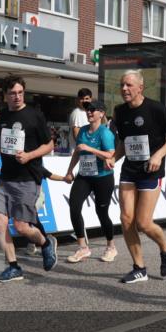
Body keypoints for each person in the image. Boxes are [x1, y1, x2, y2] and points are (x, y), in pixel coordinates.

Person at [109, 70, 166, 284]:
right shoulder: (120, 112)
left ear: (140, 88)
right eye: (122, 85)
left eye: (129, 85)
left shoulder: (155, 108)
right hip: (130, 170)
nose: (124, 89)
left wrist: (158, 154)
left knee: (143, 222)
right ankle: (139, 267)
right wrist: (115, 157)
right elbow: (124, 141)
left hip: (151, 170)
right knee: (126, 219)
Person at [0, 76, 58, 282]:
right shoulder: (2, 115)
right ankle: (13, 267)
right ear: (5, 96)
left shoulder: (34, 115)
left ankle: (45, 243)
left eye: (20, 92)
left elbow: (49, 145)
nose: (17, 97)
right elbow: (2, 145)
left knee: (21, 226)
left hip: (27, 178)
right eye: (12, 93)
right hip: (5, 177)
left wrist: (29, 155)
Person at [64, 100, 118, 263]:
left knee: (101, 212)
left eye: (93, 110)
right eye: (87, 109)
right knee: (74, 206)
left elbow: (110, 155)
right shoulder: (83, 131)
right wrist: (69, 171)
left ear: (101, 113)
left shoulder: (105, 133)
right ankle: (83, 247)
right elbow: (77, 153)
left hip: (102, 177)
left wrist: (90, 149)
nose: (89, 112)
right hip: (84, 176)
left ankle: (111, 246)